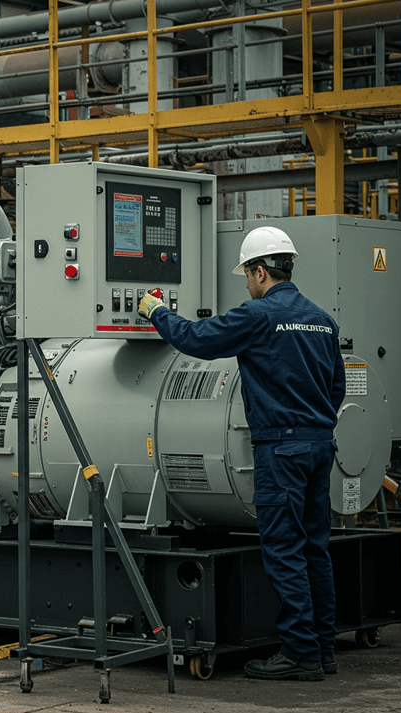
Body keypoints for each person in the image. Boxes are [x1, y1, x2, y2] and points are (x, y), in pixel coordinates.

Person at [138, 226, 346, 681]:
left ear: (259, 270)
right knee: (315, 550)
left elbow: (195, 341)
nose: (246, 284)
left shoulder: (258, 315)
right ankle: (323, 649)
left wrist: (155, 310)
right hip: (318, 445)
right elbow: (337, 389)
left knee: (284, 551)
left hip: (281, 449)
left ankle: (300, 654)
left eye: (247, 275)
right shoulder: (322, 320)